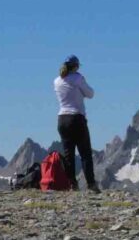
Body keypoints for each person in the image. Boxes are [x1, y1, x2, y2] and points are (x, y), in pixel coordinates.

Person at [54, 55, 100, 193]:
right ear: (76, 66)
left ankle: (72, 184)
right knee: (85, 153)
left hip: (62, 119)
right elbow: (90, 94)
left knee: (69, 154)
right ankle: (91, 184)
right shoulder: (78, 78)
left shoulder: (56, 81)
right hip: (76, 118)